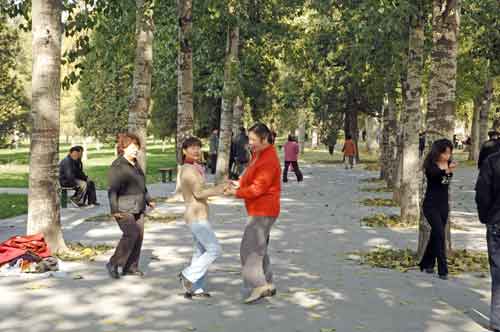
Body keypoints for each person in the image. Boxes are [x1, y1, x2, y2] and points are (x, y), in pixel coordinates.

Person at [224, 123, 281, 304]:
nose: (250, 143)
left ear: (265, 139)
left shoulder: (269, 159)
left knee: (248, 250)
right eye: (249, 139)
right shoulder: (258, 154)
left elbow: (258, 188)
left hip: (263, 210)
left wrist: (236, 193)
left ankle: (259, 285)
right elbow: (250, 174)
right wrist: (238, 182)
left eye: (253, 140)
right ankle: (269, 283)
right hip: (258, 209)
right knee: (259, 248)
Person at [178, 136, 224, 298]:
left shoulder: (194, 167)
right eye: (192, 147)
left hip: (199, 214)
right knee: (214, 249)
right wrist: (220, 189)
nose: (196, 150)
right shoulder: (188, 170)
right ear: (184, 151)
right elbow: (199, 193)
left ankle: (196, 289)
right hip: (196, 216)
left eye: (198, 147)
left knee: (200, 252)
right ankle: (188, 275)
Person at [106, 133, 155, 279]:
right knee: (131, 234)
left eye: (137, 147)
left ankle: (131, 267)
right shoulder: (117, 166)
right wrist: (114, 210)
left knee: (139, 236)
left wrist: (148, 199)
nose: (135, 150)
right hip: (123, 207)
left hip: (139, 206)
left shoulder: (136, 164)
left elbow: (141, 185)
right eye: (132, 147)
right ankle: (113, 263)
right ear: (123, 147)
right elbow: (112, 190)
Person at [419, 139, 457, 280]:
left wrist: (448, 172)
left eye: (449, 153)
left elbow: (444, 184)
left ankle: (427, 263)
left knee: (436, 234)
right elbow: (435, 177)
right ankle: (443, 269)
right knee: (440, 234)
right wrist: (447, 171)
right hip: (430, 205)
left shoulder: (448, 164)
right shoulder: (430, 165)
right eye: (445, 153)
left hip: (443, 205)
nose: (447, 155)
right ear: (438, 152)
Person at [476, 150, 500, 332]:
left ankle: (497, 320)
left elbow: (482, 194)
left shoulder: (492, 161)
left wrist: (487, 217)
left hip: (497, 221)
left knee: (499, 270)